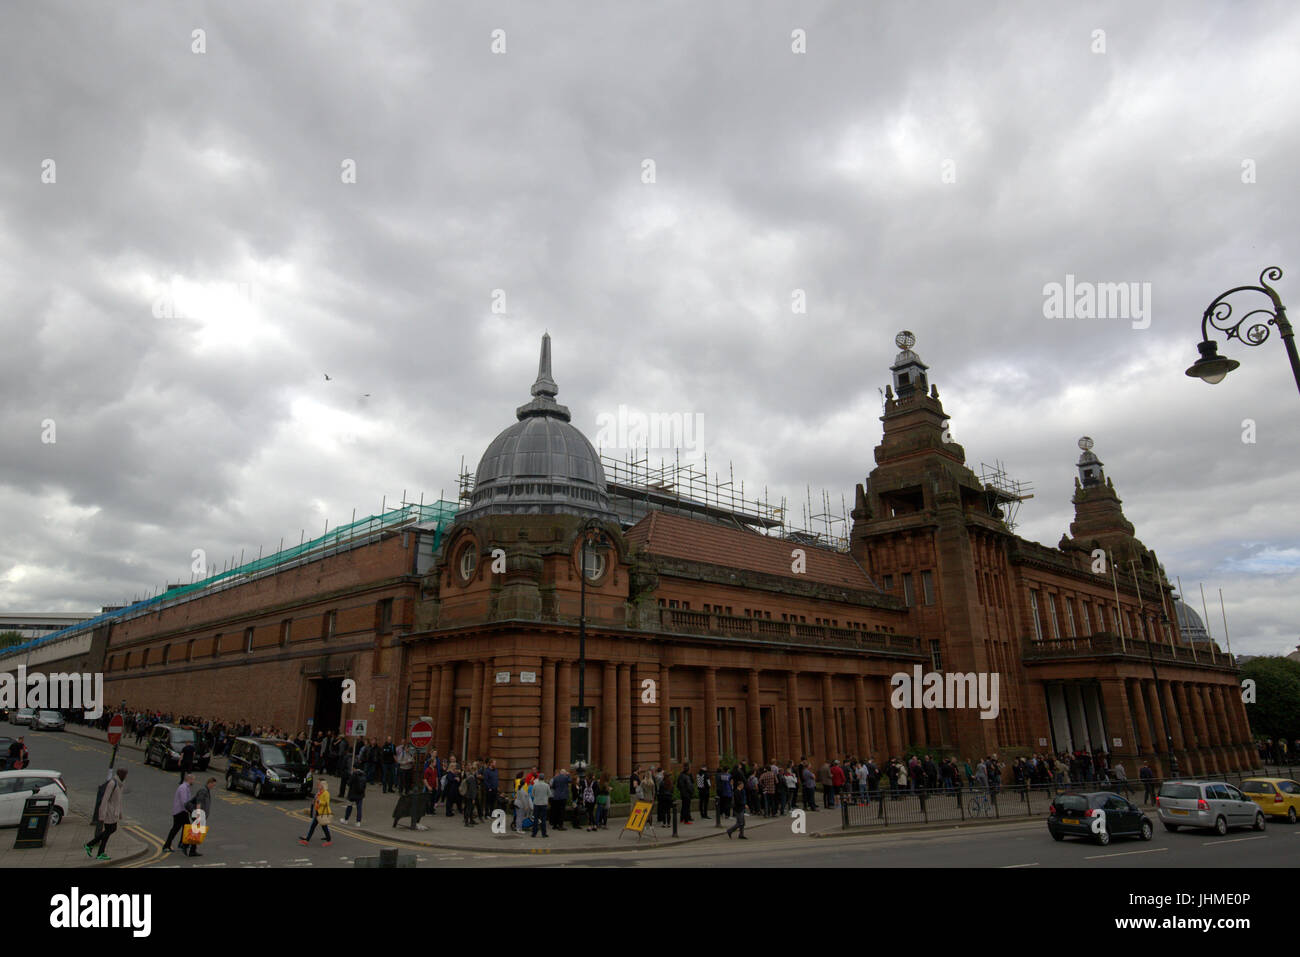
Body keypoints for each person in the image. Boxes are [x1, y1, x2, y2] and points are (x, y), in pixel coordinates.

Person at [85, 768, 128, 861]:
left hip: (114, 813)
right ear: (120, 774)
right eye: (124, 774)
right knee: (110, 830)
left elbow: (119, 801)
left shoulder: (120, 785)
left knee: (110, 830)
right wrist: (102, 814)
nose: (125, 776)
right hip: (109, 812)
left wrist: (120, 812)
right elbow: (105, 799)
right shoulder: (112, 783)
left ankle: (94, 848)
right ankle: (94, 848)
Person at [183, 777, 215, 857]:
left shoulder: (206, 790)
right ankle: (186, 846)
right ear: (209, 783)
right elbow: (199, 802)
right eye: (213, 785)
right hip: (198, 815)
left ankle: (192, 850)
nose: (213, 786)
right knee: (195, 832)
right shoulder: (203, 790)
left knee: (196, 832)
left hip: (200, 815)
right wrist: (198, 815)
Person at [163, 774, 195, 852]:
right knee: (181, 828)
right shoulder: (183, 788)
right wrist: (190, 810)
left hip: (181, 811)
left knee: (181, 828)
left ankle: (178, 844)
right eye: (193, 780)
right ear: (189, 779)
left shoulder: (185, 787)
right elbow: (184, 801)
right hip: (180, 812)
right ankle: (170, 845)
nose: (193, 781)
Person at [299, 780, 334, 846]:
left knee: (324, 827)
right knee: (313, 826)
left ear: (323, 786)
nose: (318, 786)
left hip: (323, 813)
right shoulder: (319, 793)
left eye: (320, 785)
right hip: (318, 812)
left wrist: (320, 802)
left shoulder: (326, 793)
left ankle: (328, 840)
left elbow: (327, 803)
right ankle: (307, 840)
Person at [529, 773, 551, 838]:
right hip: (544, 803)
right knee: (543, 819)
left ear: (538, 778)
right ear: (543, 778)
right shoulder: (546, 785)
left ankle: (534, 833)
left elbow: (532, 794)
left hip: (536, 803)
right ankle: (544, 834)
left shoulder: (535, 785)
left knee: (536, 818)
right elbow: (549, 794)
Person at [727, 773, 748, 839]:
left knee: (742, 823)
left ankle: (741, 835)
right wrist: (744, 804)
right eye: (742, 785)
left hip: (740, 808)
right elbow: (738, 801)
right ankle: (729, 830)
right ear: (740, 785)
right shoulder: (736, 792)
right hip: (738, 809)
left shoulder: (741, 791)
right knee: (740, 823)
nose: (743, 786)